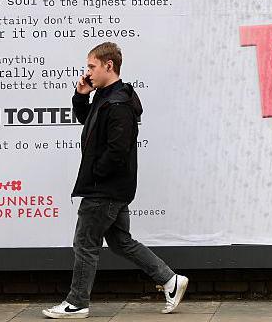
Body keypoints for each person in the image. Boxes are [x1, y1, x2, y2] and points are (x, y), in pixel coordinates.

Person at [43, 42, 187, 319]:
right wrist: (80, 96)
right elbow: (89, 122)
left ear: (109, 66)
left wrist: (96, 173)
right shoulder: (107, 96)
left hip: (104, 189)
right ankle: (171, 280)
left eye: (91, 66)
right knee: (121, 242)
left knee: (85, 244)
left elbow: (118, 151)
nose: (87, 73)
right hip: (111, 188)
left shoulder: (118, 103)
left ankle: (77, 303)